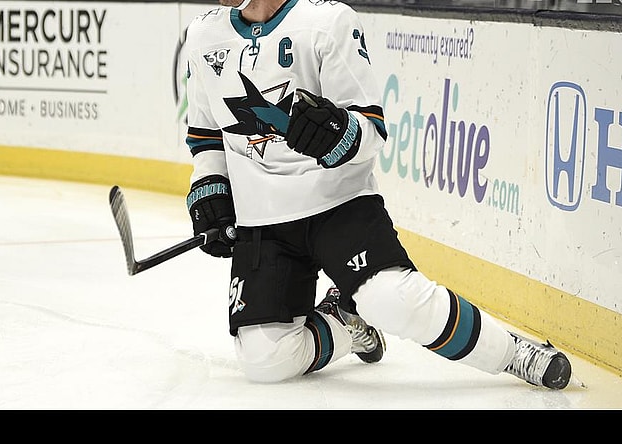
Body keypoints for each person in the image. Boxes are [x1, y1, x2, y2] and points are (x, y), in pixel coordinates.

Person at [181, 0, 572, 389]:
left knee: (392, 299)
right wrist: (210, 187)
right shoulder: (203, 36)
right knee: (265, 360)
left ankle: (512, 352)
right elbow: (206, 134)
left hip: (338, 205)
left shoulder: (327, 21)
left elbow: (371, 131)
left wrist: (337, 131)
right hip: (263, 221)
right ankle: (345, 325)